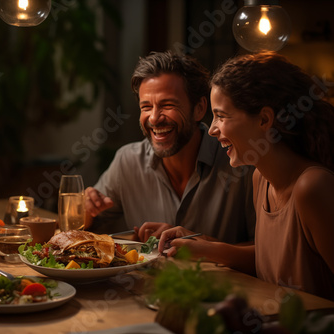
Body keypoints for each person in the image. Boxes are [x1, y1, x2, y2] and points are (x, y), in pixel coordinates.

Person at [162, 52, 334, 301]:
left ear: (264, 119)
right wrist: (201, 246)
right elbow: (268, 260)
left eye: (221, 116)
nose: (211, 129)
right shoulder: (260, 180)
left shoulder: (312, 187)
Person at [85, 50, 255, 245]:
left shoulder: (241, 161)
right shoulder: (127, 160)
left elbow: (266, 254)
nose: (154, 118)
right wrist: (84, 209)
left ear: (199, 108)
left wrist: (198, 243)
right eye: (146, 107)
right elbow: (89, 227)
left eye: (167, 105)